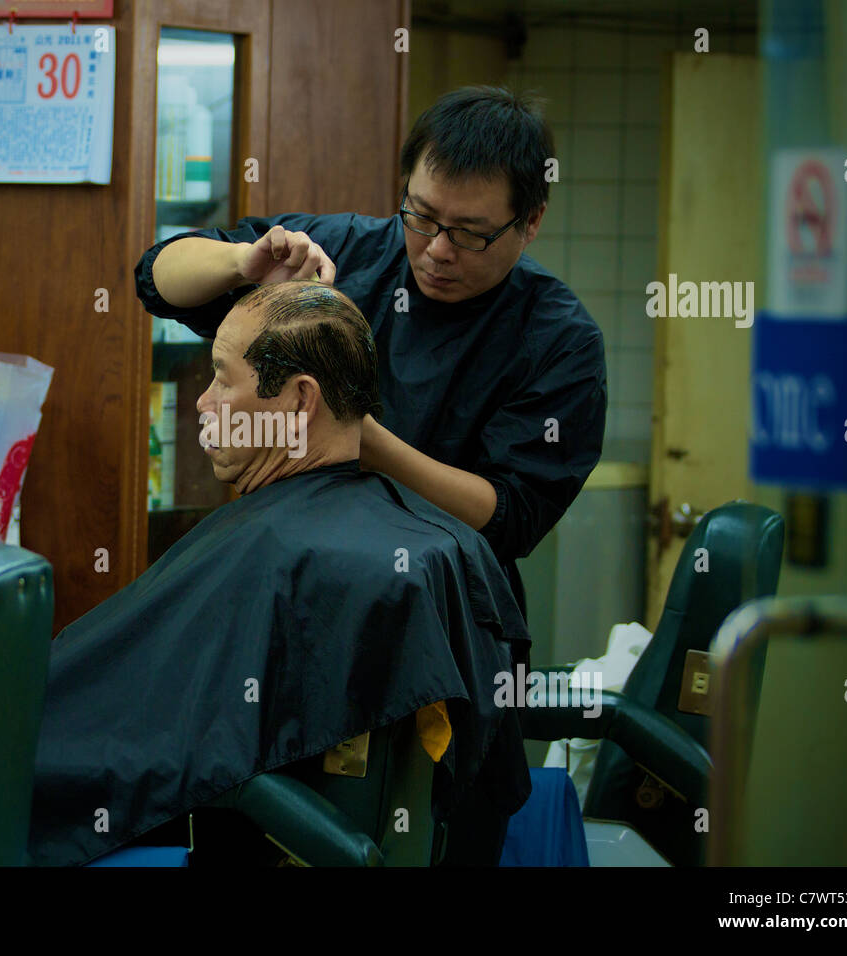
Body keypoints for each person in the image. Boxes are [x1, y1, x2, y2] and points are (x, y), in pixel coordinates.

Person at [0, 282, 532, 865]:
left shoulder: (295, 551)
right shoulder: (395, 538)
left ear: (300, 401)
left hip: (121, 788)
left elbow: (151, 732)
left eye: (224, 379)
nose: (203, 403)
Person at [136, 86, 608, 619]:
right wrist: (243, 263)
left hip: (437, 610)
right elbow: (156, 276)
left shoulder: (561, 343)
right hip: (292, 579)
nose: (437, 250)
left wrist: (351, 433)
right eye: (421, 215)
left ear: (531, 223)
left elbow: (508, 516)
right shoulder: (343, 251)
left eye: (470, 234)